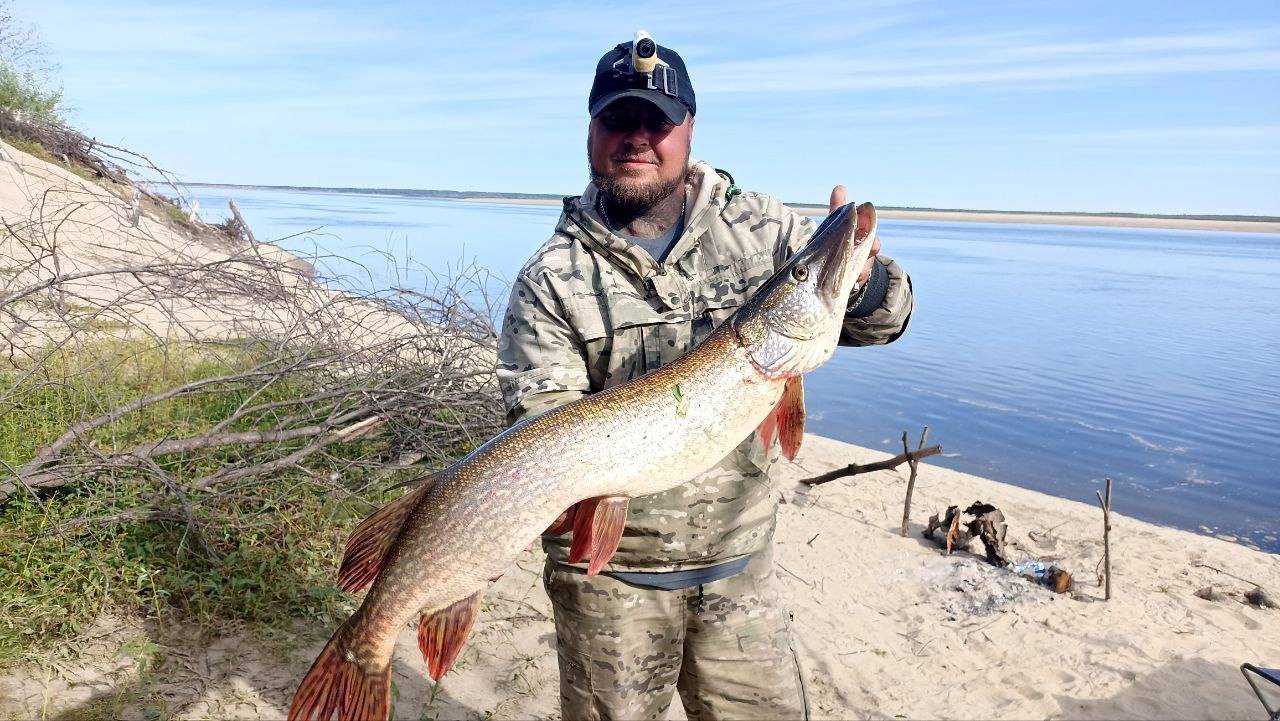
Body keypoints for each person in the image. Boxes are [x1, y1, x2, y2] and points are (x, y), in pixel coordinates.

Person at [496, 37, 913, 721]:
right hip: (611, 590)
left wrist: (861, 285)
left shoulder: (766, 228)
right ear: (592, 131)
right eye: (618, 119)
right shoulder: (551, 278)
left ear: (688, 128)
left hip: (739, 569)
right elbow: (541, 429)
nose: (637, 138)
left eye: (656, 122)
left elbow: (884, 320)